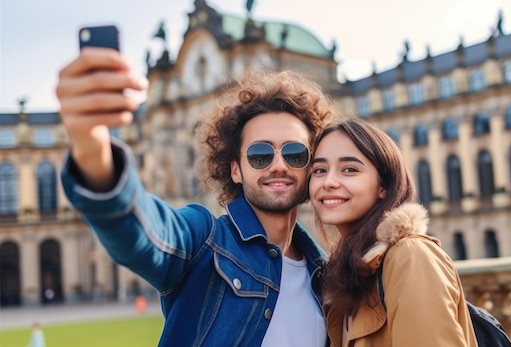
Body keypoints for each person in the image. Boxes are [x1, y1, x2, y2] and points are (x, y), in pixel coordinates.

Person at [56, 47, 335, 346]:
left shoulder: (328, 277)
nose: (278, 165)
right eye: (260, 154)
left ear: (312, 166)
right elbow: (146, 232)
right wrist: (92, 149)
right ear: (235, 170)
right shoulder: (203, 241)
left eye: (294, 153)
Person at [308, 118, 479, 347]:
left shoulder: (410, 255)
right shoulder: (353, 268)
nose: (328, 182)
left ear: (384, 186)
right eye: (319, 170)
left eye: (349, 169)